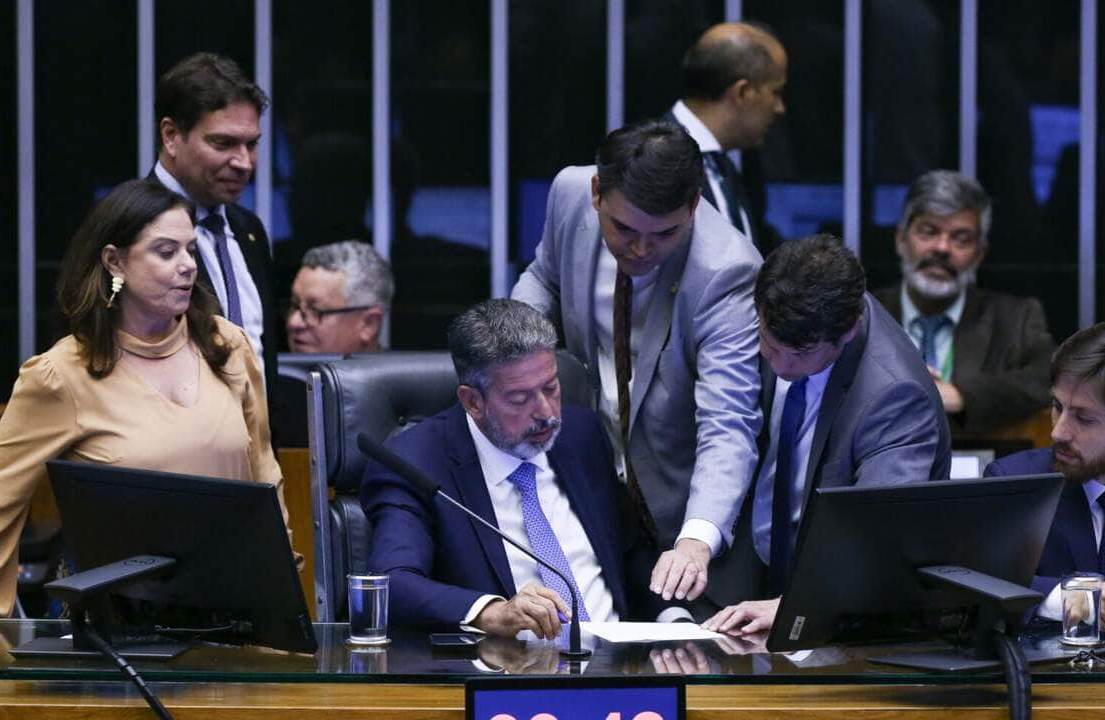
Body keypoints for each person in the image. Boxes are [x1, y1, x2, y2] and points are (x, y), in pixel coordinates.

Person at [0, 179, 295, 617]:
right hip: (124, 625)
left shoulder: (227, 345)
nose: (188, 266)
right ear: (115, 261)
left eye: (191, 250)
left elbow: (264, 475)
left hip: (238, 609)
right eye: (166, 252)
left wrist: (285, 593)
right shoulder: (62, 374)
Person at [511, 120, 762, 613]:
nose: (642, 249)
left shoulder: (727, 270)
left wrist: (697, 538)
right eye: (624, 229)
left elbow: (728, 424)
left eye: (665, 234)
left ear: (692, 207)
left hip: (682, 516)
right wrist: (510, 351)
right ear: (596, 193)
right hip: (594, 492)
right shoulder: (566, 194)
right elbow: (545, 276)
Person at [360, 299, 682, 637]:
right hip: (513, 672)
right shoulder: (414, 462)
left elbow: (629, 554)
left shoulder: (579, 433)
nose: (545, 412)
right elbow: (392, 583)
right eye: (519, 399)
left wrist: (677, 622)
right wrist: (492, 612)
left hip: (619, 664)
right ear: (473, 402)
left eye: (550, 387)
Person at [702, 234, 951, 635]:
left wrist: (791, 607)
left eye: (800, 354)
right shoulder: (777, 305)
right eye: (769, 343)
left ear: (850, 330)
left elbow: (877, 544)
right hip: (747, 574)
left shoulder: (896, 396)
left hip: (843, 617)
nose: (780, 367)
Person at [150, 52, 281, 424]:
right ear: (172, 136)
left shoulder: (249, 230)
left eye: (251, 144)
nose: (244, 162)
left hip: (258, 455)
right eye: (223, 144)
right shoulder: (127, 225)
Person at [875, 170, 1055, 435]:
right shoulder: (865, 316)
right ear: (901, 240)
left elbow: (1049, 378)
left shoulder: (1016, 318)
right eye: (929, 232)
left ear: (980, 254)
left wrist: (961, 396)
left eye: (961, 238)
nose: (942, 248)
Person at [984, 322, 1105, 630]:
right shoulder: (1016, 483)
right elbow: (982, 584)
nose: (1058, 431)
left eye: (1084, 418)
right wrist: (1069, 598)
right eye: (1057, 406)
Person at [668, 22, 787, 253]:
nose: (780, 108)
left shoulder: (732, 168)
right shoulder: (650, 160)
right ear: (742, 92)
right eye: (776, 92)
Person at [285, 241, 394, 354]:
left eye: (315, 311)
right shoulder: (276, 370)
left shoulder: (402, 371)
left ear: (369, 324)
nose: (293, 322)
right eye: (294, 306)